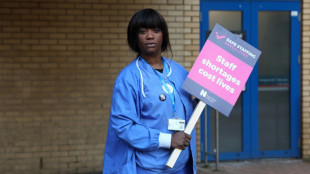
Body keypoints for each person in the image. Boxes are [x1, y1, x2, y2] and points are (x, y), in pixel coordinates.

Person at [102, 8, 197, 174]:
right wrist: (168, 140)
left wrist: (209, 97)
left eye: (156, 30)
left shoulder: (179, 72)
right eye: (142, 31)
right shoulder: (129, 79)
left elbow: (187, 110)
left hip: (181, 165)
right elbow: (124, 126)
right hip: (149, 167)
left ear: (164, 35)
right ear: (135, 38)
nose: (150, 36)